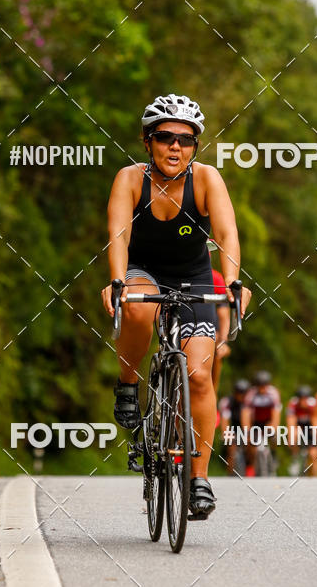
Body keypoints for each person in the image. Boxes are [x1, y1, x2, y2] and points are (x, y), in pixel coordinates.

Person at [101, 94, 251, 517]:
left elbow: (227, 234)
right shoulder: (130, 179)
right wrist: (116, 281)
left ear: (194, 147)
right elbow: (118, 236)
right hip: (142, 271)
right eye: (164, 137)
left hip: (193, 278)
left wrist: (235, 282)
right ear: (147, 142)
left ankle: (199, 478)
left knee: (200, 378)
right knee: (137, 308)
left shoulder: (206, 179)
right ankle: (128, 383)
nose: (175, 147)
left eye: (185, 140)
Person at [244, 371, 282, 476]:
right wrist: (247, 430)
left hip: (268, 422)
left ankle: (274, 455)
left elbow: (276, 413)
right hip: (255, 423)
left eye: (264, 386)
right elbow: (246, 413)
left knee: (275, 437)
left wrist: (273, 427)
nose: (262, 389)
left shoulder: (273, 393)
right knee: (251, 444)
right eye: (260, 386)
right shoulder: (251, 394)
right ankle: (251, 466)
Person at [218, 378, 251, 475]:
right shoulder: (227, 402)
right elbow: (224, 421)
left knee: (252, 443)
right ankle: (230, 472)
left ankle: (251, 468)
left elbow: (247, 423)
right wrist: (227, 436)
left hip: (245, 429)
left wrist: (248, 435)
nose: (242, 396)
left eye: (244, 393)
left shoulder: (248, 403)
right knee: (231, 448)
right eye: (239, 393)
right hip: (232, 430)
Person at [286, 385, 317, 477]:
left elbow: (316, 421)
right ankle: (295, 458)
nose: (303, 401)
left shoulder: (313, 404)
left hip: (310, 428)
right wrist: (291, 437)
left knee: (314, 454)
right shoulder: (293, 404)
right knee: (294, 433)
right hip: (298, 428)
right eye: (301, 399)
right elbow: (290, 422)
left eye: (305, 399)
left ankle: (316, 478)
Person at [211, 268, 230, 396]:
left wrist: (223, 341)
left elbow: (223, 314)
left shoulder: (216, 278)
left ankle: (213, 394)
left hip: (213, 331)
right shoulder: (215, 277)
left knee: (217, 353)